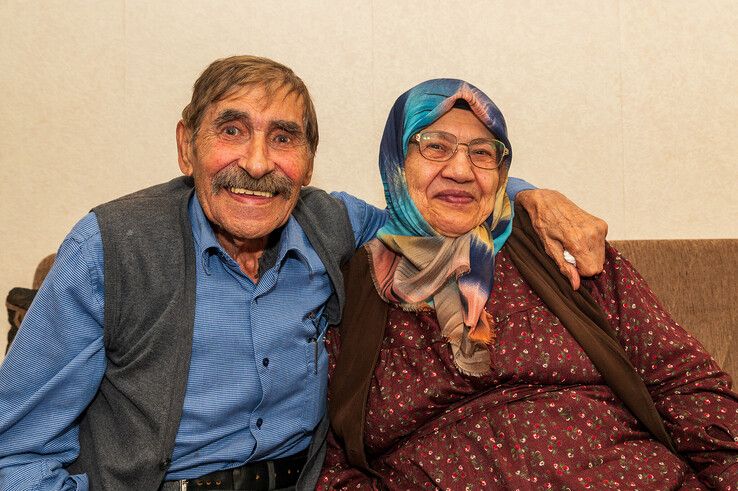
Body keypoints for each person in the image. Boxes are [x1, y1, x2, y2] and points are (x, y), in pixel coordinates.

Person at [0, 57, 608, 491]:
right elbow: (18, 450)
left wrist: (531, 197)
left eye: (283, 138)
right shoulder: (111, 246)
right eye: (232, 130)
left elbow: (440, 208)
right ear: (187, 146)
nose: (258, 163)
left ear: (309, 162)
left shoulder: (334, 225)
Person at [319, 79, 738, 490]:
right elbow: (331, 461)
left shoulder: (557, 244)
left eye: (482, 153)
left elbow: (683, 383)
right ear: (397, 160)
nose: (462, 170)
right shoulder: (351, 284)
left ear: (501, 173)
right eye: (435, 146)